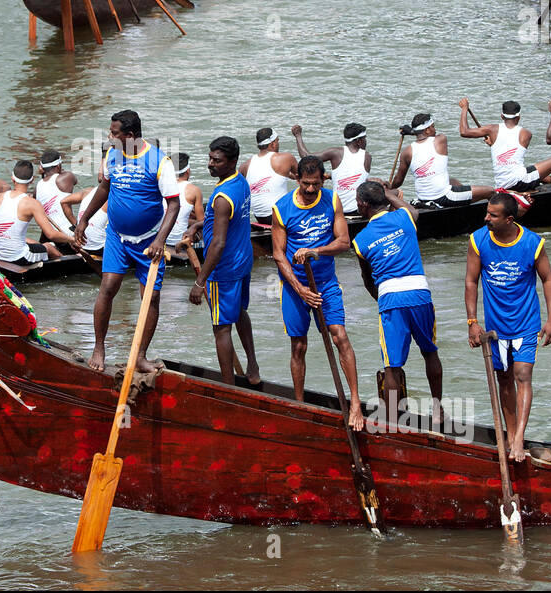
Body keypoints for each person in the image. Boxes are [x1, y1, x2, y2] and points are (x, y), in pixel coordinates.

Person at [74, 109, 180, 372]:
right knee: (108, 287)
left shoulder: (159, 161)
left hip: (149, 242)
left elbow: (174, 205)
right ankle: (99, 348)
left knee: (151, 298)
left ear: (130, 136)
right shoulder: (113, 155)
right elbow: (104, 188)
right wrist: (84, 219)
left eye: (114, 133)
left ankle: (141, 356)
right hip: (117, 238)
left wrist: (160, 240)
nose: (110, 137)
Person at [465, 191, 551, 462]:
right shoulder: (478, 240)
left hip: (527, 324)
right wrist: (472, 322)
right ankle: (509, 432)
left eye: (492, 215)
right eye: (487, 213)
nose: (486, 218)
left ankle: (518, 439)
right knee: (504, 379)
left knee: (522, 376)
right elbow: (471, 282)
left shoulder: (533, 243)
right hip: (495, 328)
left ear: (508, 218)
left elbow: (548, 280)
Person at [270, 155, 362, 423]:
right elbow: (278, 255)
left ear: (324, 180)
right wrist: (299, 289)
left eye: (315, 184)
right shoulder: (282, 209)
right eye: (306, 184)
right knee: (299, 346)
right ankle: (300, 406)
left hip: (325, 283)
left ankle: (355, 402)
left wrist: (315, 250)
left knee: (340, 337)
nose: (311, 190)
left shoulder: (332, 200)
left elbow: (344, 241)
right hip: (294, 286)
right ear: (297, 180)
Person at [352, 180, 443, 427]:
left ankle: (392, 420)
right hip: (419, 293)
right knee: (429, 352)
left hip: (390, 298)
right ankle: (438, 409)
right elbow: (413, 210)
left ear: (362, 205)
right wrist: (390, 194)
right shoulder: (405, 217)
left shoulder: (360, 241)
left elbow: (368, 280)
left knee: (392, 365)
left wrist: (381, 300)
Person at [184, 136, 259, 386]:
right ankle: (252, 365)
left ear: (232, 161)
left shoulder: (221, 198)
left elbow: (217, 243)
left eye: (217, 161)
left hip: (223, 270)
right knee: (239, 312)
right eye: (209, 158)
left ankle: (229, 387)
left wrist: (200, 281)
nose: (210, 164)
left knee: (221, 328)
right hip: (243, 261)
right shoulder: (240, 183)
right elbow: (229, 220)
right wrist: (198, 223)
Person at [457, 98, 551, 199]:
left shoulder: (491, 129)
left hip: (502, 183)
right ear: (519, 117)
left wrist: (464, 109)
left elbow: (464, 131)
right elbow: (512, 148)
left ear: (502, 116)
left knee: (541, 174)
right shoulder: (526, 134)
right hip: (518, 182)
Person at [390, 113, 492, 208]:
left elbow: (398, 181)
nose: (435, 130)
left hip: (423, 197)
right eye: (433, 127)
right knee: (490, 191)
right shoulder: (440, 140)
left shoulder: (407, 151)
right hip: (443, 197)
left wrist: (388, 190)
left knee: (453, 181)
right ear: (427, 130)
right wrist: (411, 131)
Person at [0, 160, 75, 265]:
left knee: (36, 243)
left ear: (12, 178)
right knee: (49, 247)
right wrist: (72, 240)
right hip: (19, 257)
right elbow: (51, 234)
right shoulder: (33, 204)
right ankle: (68, 266)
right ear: (32, 180)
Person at [291, 123, 369, 215]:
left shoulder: (335, 152)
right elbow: (356, 175)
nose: (365, 141)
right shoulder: (367, 157)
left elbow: (305, 156)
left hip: (337, 209)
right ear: (359, 141)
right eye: (364, 139)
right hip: (358, 211)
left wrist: (298, 135)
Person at [241, 126, 297, 224]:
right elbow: (304, 176)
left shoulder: (245, 165)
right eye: (277, 141)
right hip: (279, 214)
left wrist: (288, 175)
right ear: (272, 144)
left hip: (260, 217)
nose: (278, 144)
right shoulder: (286, 158)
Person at [34, 150, 85, 239]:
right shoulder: (66, 177)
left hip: (49, 234)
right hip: (67, 233)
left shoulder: (37, 187)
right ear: (58, 166)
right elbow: (75, 181)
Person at [165, 153, 203, 248]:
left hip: (161, 239)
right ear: (188, 171)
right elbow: (201, 221)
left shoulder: (160, 185)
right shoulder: (194, 190)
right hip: (181, 242)